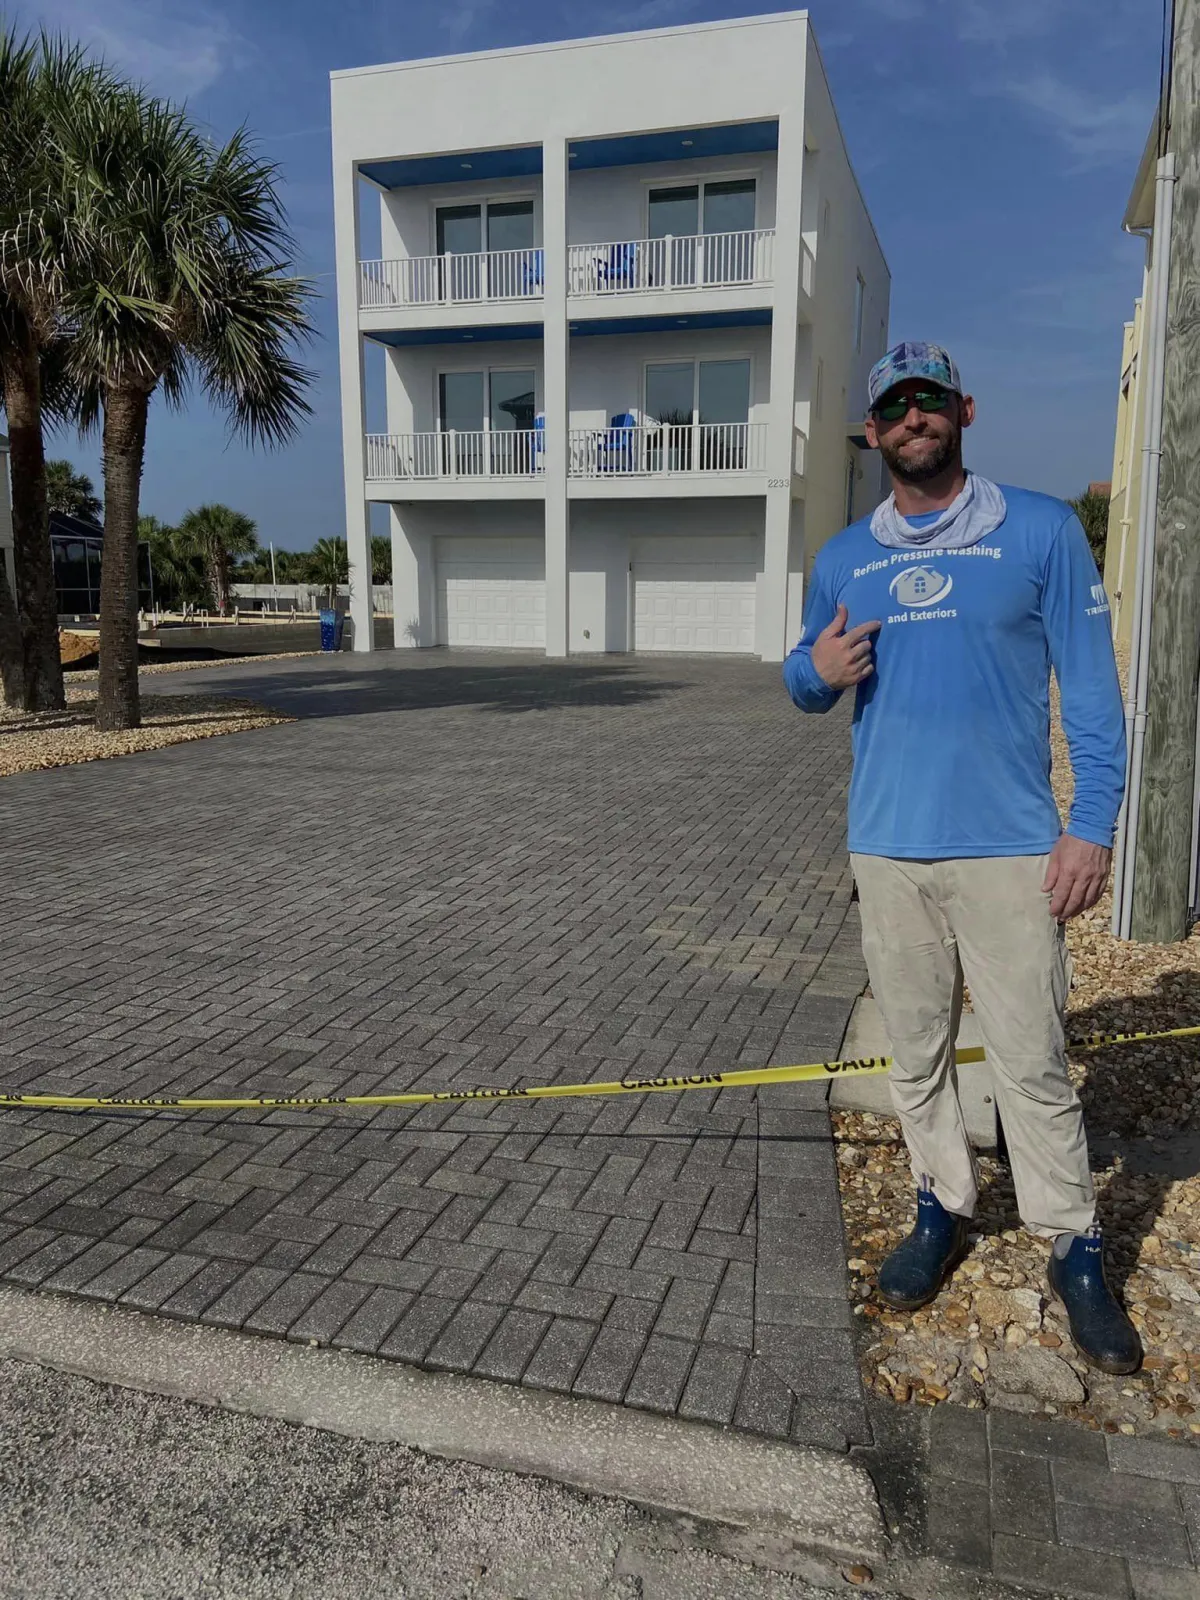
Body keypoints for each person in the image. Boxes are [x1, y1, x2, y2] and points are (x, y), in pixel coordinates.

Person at [782, 341, 1140, 1374]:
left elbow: (1092, 691)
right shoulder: (846, 556)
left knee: (1031, 1057)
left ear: (963, 410)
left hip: (1012, 849)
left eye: (929, 403)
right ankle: (941, 1203)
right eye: (895, 408)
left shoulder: (1039, 530)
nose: (913, 421)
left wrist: (1093, 824)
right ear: (873, 431)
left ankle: (1074, 1242)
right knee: (916, 1052)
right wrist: (820, 666)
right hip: (888, 846)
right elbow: (801, 679)